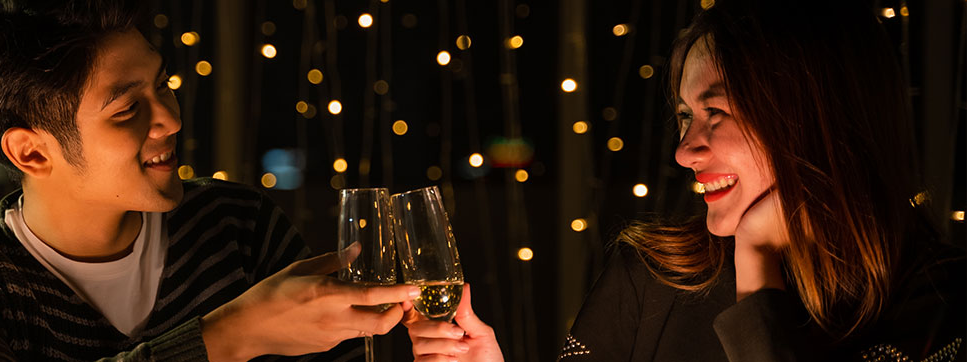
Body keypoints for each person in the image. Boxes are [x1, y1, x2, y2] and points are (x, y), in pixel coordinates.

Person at [406, 1, 966, 361]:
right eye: (683, 116)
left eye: (716, 113)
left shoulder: (939, 303)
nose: (684, 150)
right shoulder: (653, 275)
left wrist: (758, 266)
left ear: (817, 115)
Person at [0, 1, 420, 360]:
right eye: (126, 109)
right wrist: (232, 335)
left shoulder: (236, 227)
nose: (171, 119)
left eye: (163, 85)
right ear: (32, 152)